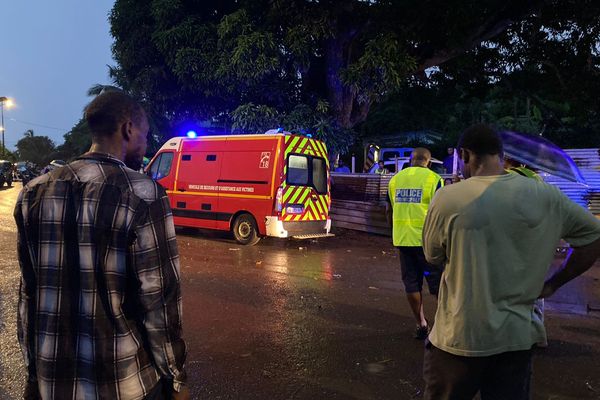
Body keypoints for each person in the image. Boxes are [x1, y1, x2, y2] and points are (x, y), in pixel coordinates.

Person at [14, 91, 189, 400]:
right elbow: (160, 301)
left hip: (53, 380)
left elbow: (29, 295)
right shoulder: (144, 195)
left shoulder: (32, 194)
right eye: (145, 136)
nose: (145, 145)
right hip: (123, 383)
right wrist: (176, 379)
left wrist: (33, 371)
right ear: (128, 129)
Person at [422, 124, 600, 399]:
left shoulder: (448, 197)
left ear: (466, 155)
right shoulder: (546, 196)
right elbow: (593, 237)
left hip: (459, 339)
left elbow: (433, 256)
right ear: (501, 155)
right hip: (516, 340)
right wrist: (554, 284)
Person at [388, 147, 444, 339]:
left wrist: (393, 233)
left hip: (403, 240)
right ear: (428, 161)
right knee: (438, 285)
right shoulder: (434, 180)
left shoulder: (395, 179)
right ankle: (444, 326)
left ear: (411, 160)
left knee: (412, 284)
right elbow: (440, 212)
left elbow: (390, 210)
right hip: (427, 242)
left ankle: (421, 324)